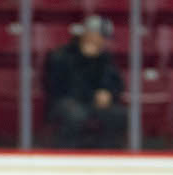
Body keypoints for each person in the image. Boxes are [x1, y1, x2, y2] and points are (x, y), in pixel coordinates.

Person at [43, 14, 126, 149]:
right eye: (100, 36)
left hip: (93, 104)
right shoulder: (61, 55)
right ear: (88, 34)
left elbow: (116, 83)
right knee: (75, 115)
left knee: (118, 115)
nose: (103, 41)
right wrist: (86, 60)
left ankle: (108, 157)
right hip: (66, 101)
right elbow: (60, 87)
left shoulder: (104, 58)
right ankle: (67, 155)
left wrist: (108, 93)